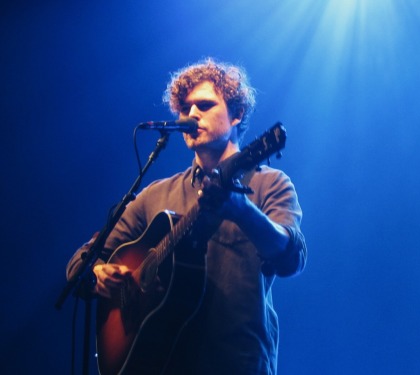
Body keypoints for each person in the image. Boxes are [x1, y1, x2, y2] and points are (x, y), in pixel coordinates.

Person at [66, 57, 307, 375]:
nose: (191, 114)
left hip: (236, 362)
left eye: (205, 105)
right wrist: (98, 272)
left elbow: (292, 258)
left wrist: (243, 213)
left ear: (237, 115)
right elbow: (80, 261)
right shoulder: (156, 194)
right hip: (161, 362)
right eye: (185, 108)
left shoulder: (269, 183)